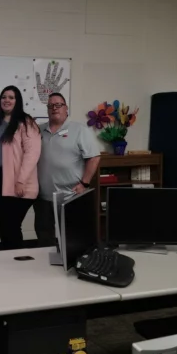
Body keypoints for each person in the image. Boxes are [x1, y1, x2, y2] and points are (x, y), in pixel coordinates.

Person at [35, 92, 100, 246]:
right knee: (44, 238)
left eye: (59, 105)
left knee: (73, 237)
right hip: (43, 197)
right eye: (50, 106)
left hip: (70, 195)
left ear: (66, 109)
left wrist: (84, 183)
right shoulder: (37, 131)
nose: (54, 108)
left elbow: (94, 157)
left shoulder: (79, 130)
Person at [0, 86, 41, 249]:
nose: (7, 100)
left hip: (17, 181)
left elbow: (32, 154)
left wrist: (21, 181)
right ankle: (7, 260)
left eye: (11, 97)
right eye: (4, 97)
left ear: (17, 101)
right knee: (3, 223)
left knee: (11, 225)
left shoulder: (26, 122)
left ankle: (17, 263)